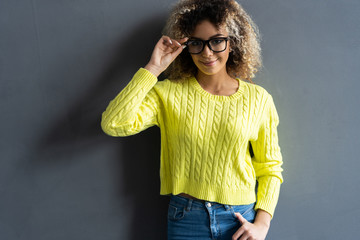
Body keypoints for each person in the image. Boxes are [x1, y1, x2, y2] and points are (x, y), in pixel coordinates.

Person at [101, 0, 283, 239]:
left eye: (217, 41)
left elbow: (270, 167)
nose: (207, 52)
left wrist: (262, 224)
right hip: (187, 220)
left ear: (233, 43)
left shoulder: (259, 99)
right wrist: (153, 68)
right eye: (196, 43)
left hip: (240, 221)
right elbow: (114, 123)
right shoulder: (167, 93)